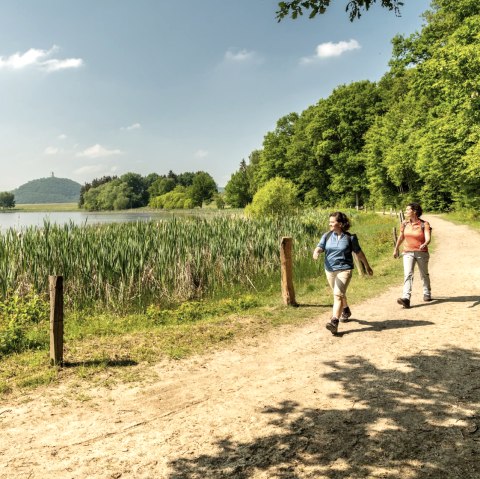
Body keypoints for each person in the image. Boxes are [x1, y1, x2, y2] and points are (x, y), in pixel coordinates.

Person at [313, 211, 373, 335]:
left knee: (337, 295)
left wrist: (367, 266)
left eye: (332, 222)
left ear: (340, 224)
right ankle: (346, 309)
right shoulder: (327, 236)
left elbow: (359, 253)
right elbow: (320, 246)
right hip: (329, 270)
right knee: (339, 293)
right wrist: (317, 252)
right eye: (329, 222)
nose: (329, 224)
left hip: (344, 269)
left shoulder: (350, 238)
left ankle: (334, 321)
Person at [393, 202, 432, 308]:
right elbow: (401, 237)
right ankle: (406, 298)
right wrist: (396, 249)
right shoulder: (405, 224)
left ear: (414, 211)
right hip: (407, 252)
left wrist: (425, 243)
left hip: (421, 252)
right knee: (408, 274)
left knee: (424, 274)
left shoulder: (424, 224)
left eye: (408, 209)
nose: (406, 211)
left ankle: (427, 293)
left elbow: (427, 237)